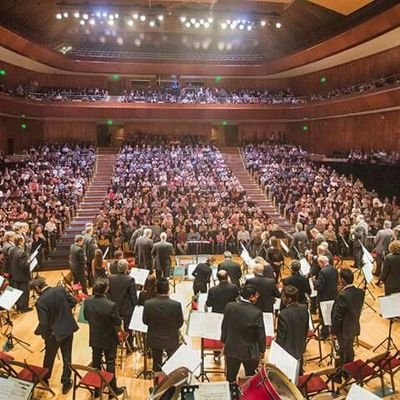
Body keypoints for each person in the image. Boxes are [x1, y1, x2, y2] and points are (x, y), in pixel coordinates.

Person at [30, 277, 79, 394]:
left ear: (37, 288)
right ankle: (66, 382)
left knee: (49, 356)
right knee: (67, 356)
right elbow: (73, 301)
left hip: (54, 334)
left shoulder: (41, 302)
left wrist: (46, 335)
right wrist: (65, 313)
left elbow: (44, 323)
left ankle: (45, 378)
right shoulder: (60, 290)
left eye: (34, 290)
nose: (34, 292)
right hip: (68, 328)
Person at [83, 279, 125, 397]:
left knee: (96, 363)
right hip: (109, 338)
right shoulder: (111, 305)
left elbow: (86, 317)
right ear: (106, 289)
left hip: (95, 337)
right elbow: (117, 322)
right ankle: (112, 391)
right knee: (110, 363)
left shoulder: (87, 301)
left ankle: (96, 390)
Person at [221, 284, 266, 383]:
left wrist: (224, 341)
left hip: (232, 347)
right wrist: (262, 350)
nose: (257, 298)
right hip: (249, 351)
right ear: (251, 297)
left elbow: (224, 326)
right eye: (256, 296)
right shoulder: (256, 312)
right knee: (250, 378)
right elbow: (260, 334)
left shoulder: (229, 306)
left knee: (230, 378)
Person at [142, 278, 184, 373]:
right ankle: (171, 385)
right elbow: (180, 323)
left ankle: (157, 385)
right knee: (172, 364)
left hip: (154, 338)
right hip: (171, 338)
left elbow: (145, 321)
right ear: (168, 289)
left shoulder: (148, 304)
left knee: (156, 365)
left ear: (156, 289)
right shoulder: (176, 305)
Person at [331, 268, 365, 367]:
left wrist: (333, 331)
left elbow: (338, 317)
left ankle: (337, 375)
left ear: (342, 280)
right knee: (349, 350)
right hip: (353, 326)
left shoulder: (343, 296)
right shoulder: (360, 292)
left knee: (340, 352)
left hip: (343, 329)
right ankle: (348, 372)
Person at [276, 285, 309, 374]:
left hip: (287, 350)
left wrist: (277, 353)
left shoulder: (283, 314)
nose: (281, 298)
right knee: (299, 372)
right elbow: (306, 328)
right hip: (300, 345)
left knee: (287, 375)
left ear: (289, 299)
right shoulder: (304, 308)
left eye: (283, 296)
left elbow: (281, 338)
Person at [108, 259, 138, 349]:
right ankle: (129, 346)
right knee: (128, 328)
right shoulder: (130, 279)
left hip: (114, 307)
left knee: (116, 327)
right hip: (126, 308)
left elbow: (109, 293)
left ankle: (116, 343)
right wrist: (136, 307)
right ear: (126, 268)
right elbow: (133, 296)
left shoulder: (110, 278)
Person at [314, 255, 338, 340]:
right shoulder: (334, 269)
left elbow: (320, 286)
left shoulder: (322, 272)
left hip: (324, 297)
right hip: (333, 295)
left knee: (323, 316)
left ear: (321, 262)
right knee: (331, 314)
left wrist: (314, 282)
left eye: (319, 263)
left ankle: (324, 334)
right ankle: (332, 331)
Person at [8, 234, 32, 312]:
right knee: (25, 292)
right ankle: (24, 307)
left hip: (15, 274)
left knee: (18, 291)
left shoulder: (12, 250)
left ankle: (19, 306)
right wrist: (29, 261)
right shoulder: (22, 252)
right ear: (21, 241)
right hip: (22, 276)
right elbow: (24, 266)